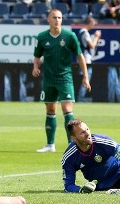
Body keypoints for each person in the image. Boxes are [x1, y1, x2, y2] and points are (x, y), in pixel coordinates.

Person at [33, 9, 91, 152]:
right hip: (49, 79)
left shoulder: (69, 36)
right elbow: (37, 55)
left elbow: (80, 55)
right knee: (50, 110)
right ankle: (50, 144)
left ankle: (72, 145)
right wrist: (35, 67)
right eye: (54, 17)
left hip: (65, 78)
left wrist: (85, 76)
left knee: (67, 109)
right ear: (48, 19)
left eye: (59, 17)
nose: (57, 20)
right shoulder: (42, 37)